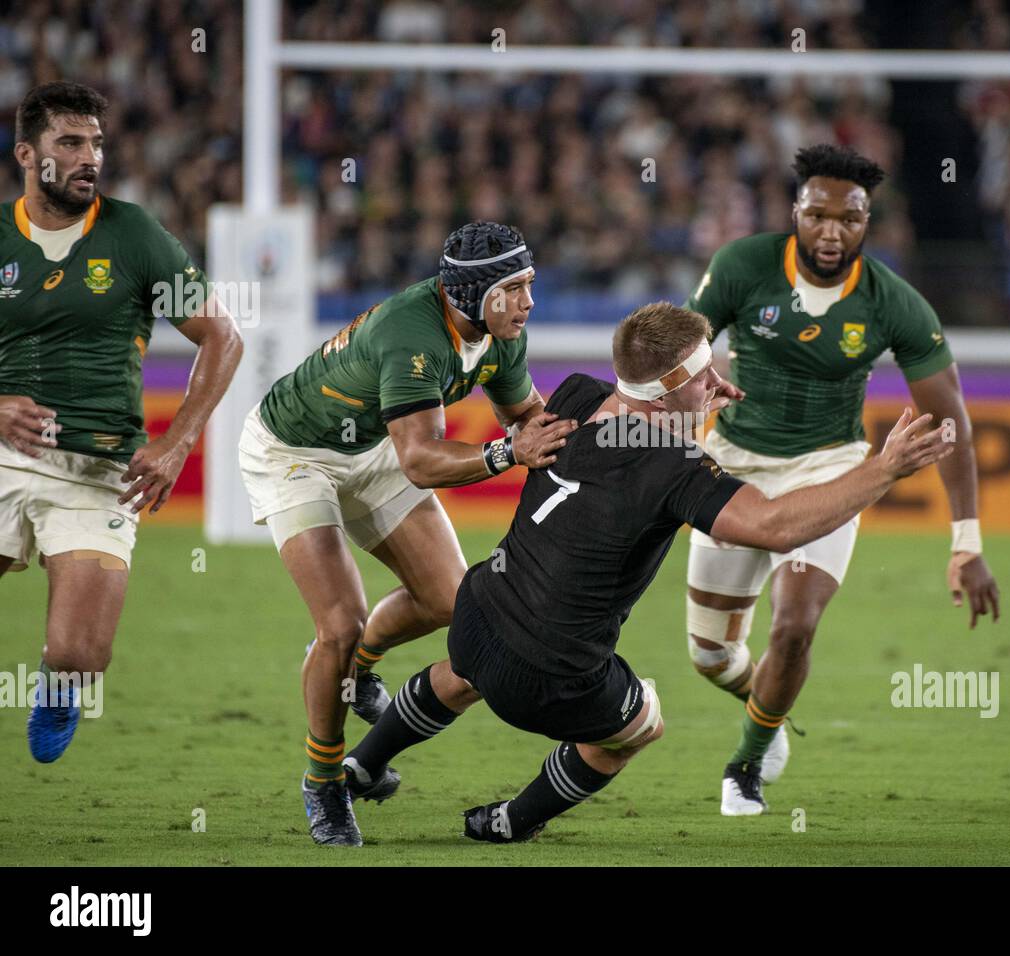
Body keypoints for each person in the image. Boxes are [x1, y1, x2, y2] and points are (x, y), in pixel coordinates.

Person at [341, 302, 951, 843]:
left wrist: (685, 413)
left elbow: (622, 448)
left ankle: (361, 766)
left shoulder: (574, 395)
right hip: (552, 676)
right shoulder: (677, 468)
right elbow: (775, 526)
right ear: (670, 388)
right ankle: (512, 821)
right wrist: (885, 470)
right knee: (640, 725)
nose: (718, 380)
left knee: (463, 673)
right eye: (704, 372)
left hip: (476, 617)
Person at [683, 143, 1001, 814]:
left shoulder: (893, 303)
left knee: (795, 624)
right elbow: (683, 349)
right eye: (819, 215)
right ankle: (765, 703)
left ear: (868, 222)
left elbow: (952, 423)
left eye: (850, 219)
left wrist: (966, 541)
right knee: (709, 655)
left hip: (831, 469)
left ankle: (746, 762)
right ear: (795, 211)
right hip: (735, 466)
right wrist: (688, 391)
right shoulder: (742, 267)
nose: (833, 232)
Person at [238, 220, 576, 846]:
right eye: (516, 288)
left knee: (450, 601)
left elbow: (531, 418)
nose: (530, 302)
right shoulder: (412, 333)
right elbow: (422, 461)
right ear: (476, 293)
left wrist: (621, 426)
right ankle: (323, 781)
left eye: (531, 285)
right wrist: (508, 455)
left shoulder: (500, 332)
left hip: (378, 445)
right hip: (296, 453)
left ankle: (361, 667)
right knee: (338, 623)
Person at [0, 81, 242, 763]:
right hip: (2, 453)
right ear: (27, 152)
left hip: (98, 465)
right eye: (69, 142)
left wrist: (176, 443)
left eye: (97, 143)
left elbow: (223, 338)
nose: (89, 157)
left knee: (78, 655)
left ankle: (58, 683)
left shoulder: (134, 235)